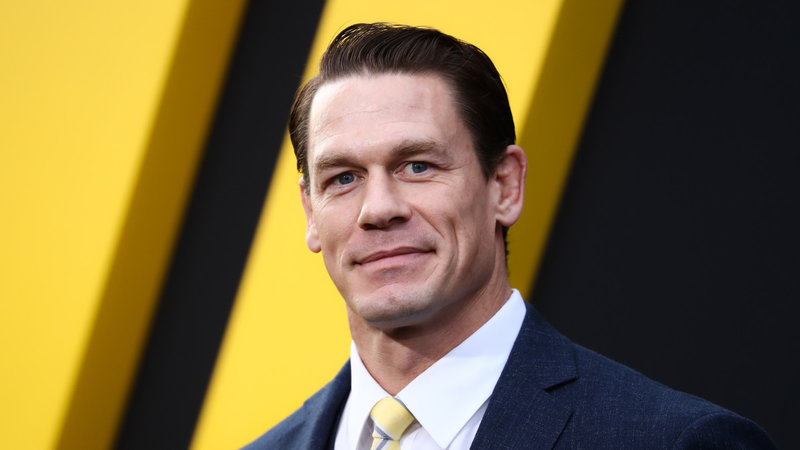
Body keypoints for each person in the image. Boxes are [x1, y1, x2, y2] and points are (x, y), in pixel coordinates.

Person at [246, 23, 774, 449]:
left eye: (418, 166)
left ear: (504, 186)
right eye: (343, 178)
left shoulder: (674, 441)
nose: (379, 209)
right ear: (311, 212)